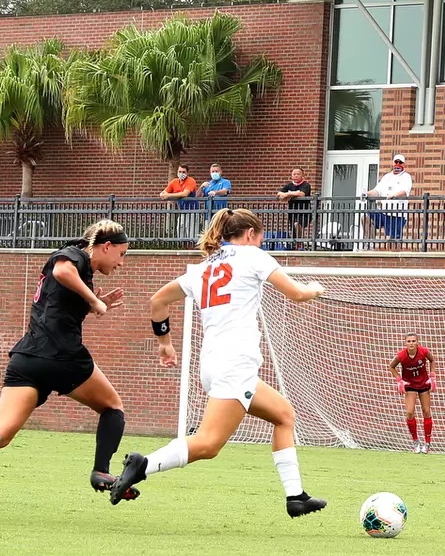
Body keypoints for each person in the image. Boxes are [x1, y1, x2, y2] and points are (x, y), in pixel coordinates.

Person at [108, 208, 328, 517]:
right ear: (250, 234)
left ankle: (296, 497)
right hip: (235, 362)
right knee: (209, 444)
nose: (261, 244)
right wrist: (314, 289)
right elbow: (297, 294)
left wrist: (165, 344)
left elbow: (158, 300)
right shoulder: (252, 256)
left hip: (213, 362)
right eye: (260, 238)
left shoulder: (203, 268)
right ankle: (143, 465)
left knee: (283, 414)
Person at [0, 222, 132, 519]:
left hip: (28, 357)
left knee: (1, 432)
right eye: (121, 254)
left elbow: (57, 305)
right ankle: (101, 471)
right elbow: (62, 271)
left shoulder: (77, 262)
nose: (121, 262)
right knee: (112, 407)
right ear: (105, 246)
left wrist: (92, 303)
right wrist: (94, 299)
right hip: (62, 356)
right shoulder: (76, 256)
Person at [388, 333, 436, 453]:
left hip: (423, 383)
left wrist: (432, 376)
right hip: (410, 385)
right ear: (405, 343)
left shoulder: (424, 351)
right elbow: (391, 367)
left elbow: (432, 360)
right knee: (409, 412)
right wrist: (399, 380)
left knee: (426, 411)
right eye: (409, 341)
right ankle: (415, 441)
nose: (411, 343)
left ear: (417, 342)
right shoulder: (401, 355)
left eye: (413, 341)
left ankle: (427, 443)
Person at [364, 154, 413, 244]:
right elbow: (377, 191)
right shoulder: (386, 177)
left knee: (394, 240)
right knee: (366, 218)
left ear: (404, 164)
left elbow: (405, 192)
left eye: (400, 162)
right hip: (384, 212)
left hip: (398, 214)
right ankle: (369, 242)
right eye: (396, 162)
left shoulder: (406, 177)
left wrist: (394, 195)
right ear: (393, 163)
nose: (398, 164)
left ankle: (395, 252)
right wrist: (366, 194)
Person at [160, 164, 203, 242]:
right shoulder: (174, 181)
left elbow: (185, 194)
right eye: (179, 172)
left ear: (187, 173)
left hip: (193, 211)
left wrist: (168, 195)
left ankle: (192, 248)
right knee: (180, 234)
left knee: (192, 236)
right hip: (182, 211)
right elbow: (163, 193)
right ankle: (183, 247)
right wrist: (163, 194)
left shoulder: (191, 181)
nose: (181, 174)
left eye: (183, 172)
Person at [277, 168, 313, 241]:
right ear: (292, 176)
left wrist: (288, 194)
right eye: (294, 174)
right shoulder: (289, 185)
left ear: (302, 175)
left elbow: (302, 194)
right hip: (292, 211)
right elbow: (279, 194)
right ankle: (296, 243)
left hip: (304, 212)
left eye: (298, 174)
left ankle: (299, 242)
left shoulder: (306, 185)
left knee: (297, 224)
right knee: (293, 230)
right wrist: (285, 195)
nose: (296, 176)